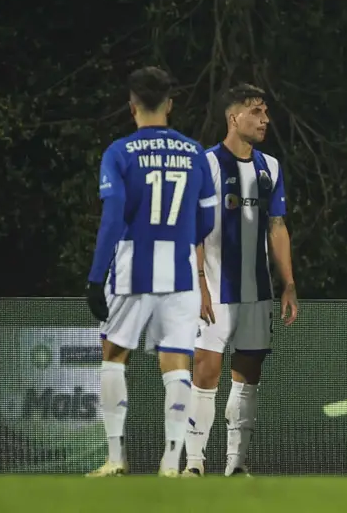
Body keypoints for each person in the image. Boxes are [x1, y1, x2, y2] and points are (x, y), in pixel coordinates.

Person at [85, 67, 216, 477]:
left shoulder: (120, 152)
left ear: (132, 105)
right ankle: (170, 462)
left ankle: (115, 458)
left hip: (133, 267)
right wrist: (182, 239)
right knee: (177, 362)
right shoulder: (195, 152)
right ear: (170, 104)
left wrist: (94, 276)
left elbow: (112, 217)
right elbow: (208, 219)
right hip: (179, 272)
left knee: (113, 355)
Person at [184, 84, 299, 477]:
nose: (265, 119)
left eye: (266, 111)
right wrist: (198, 283)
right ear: (235, 118)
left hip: (257, 293)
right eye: (257, 111)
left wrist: (288, 283)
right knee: (205, 371)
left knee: (249, 375)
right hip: (214, 289)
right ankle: (195, 462)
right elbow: (194, 230)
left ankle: (236, 463)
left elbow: (278, 226)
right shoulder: (206, 165)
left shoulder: (271, 167)